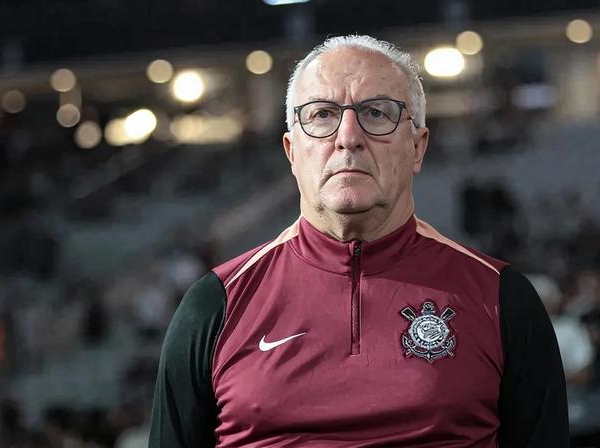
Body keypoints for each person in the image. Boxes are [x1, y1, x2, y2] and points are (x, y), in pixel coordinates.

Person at [149, 35, 568, 447]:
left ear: (418, 147)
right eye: (322, 115)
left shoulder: (500, 298)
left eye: (376, 112)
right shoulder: (214, 306)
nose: (348, 137)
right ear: (292, 151)